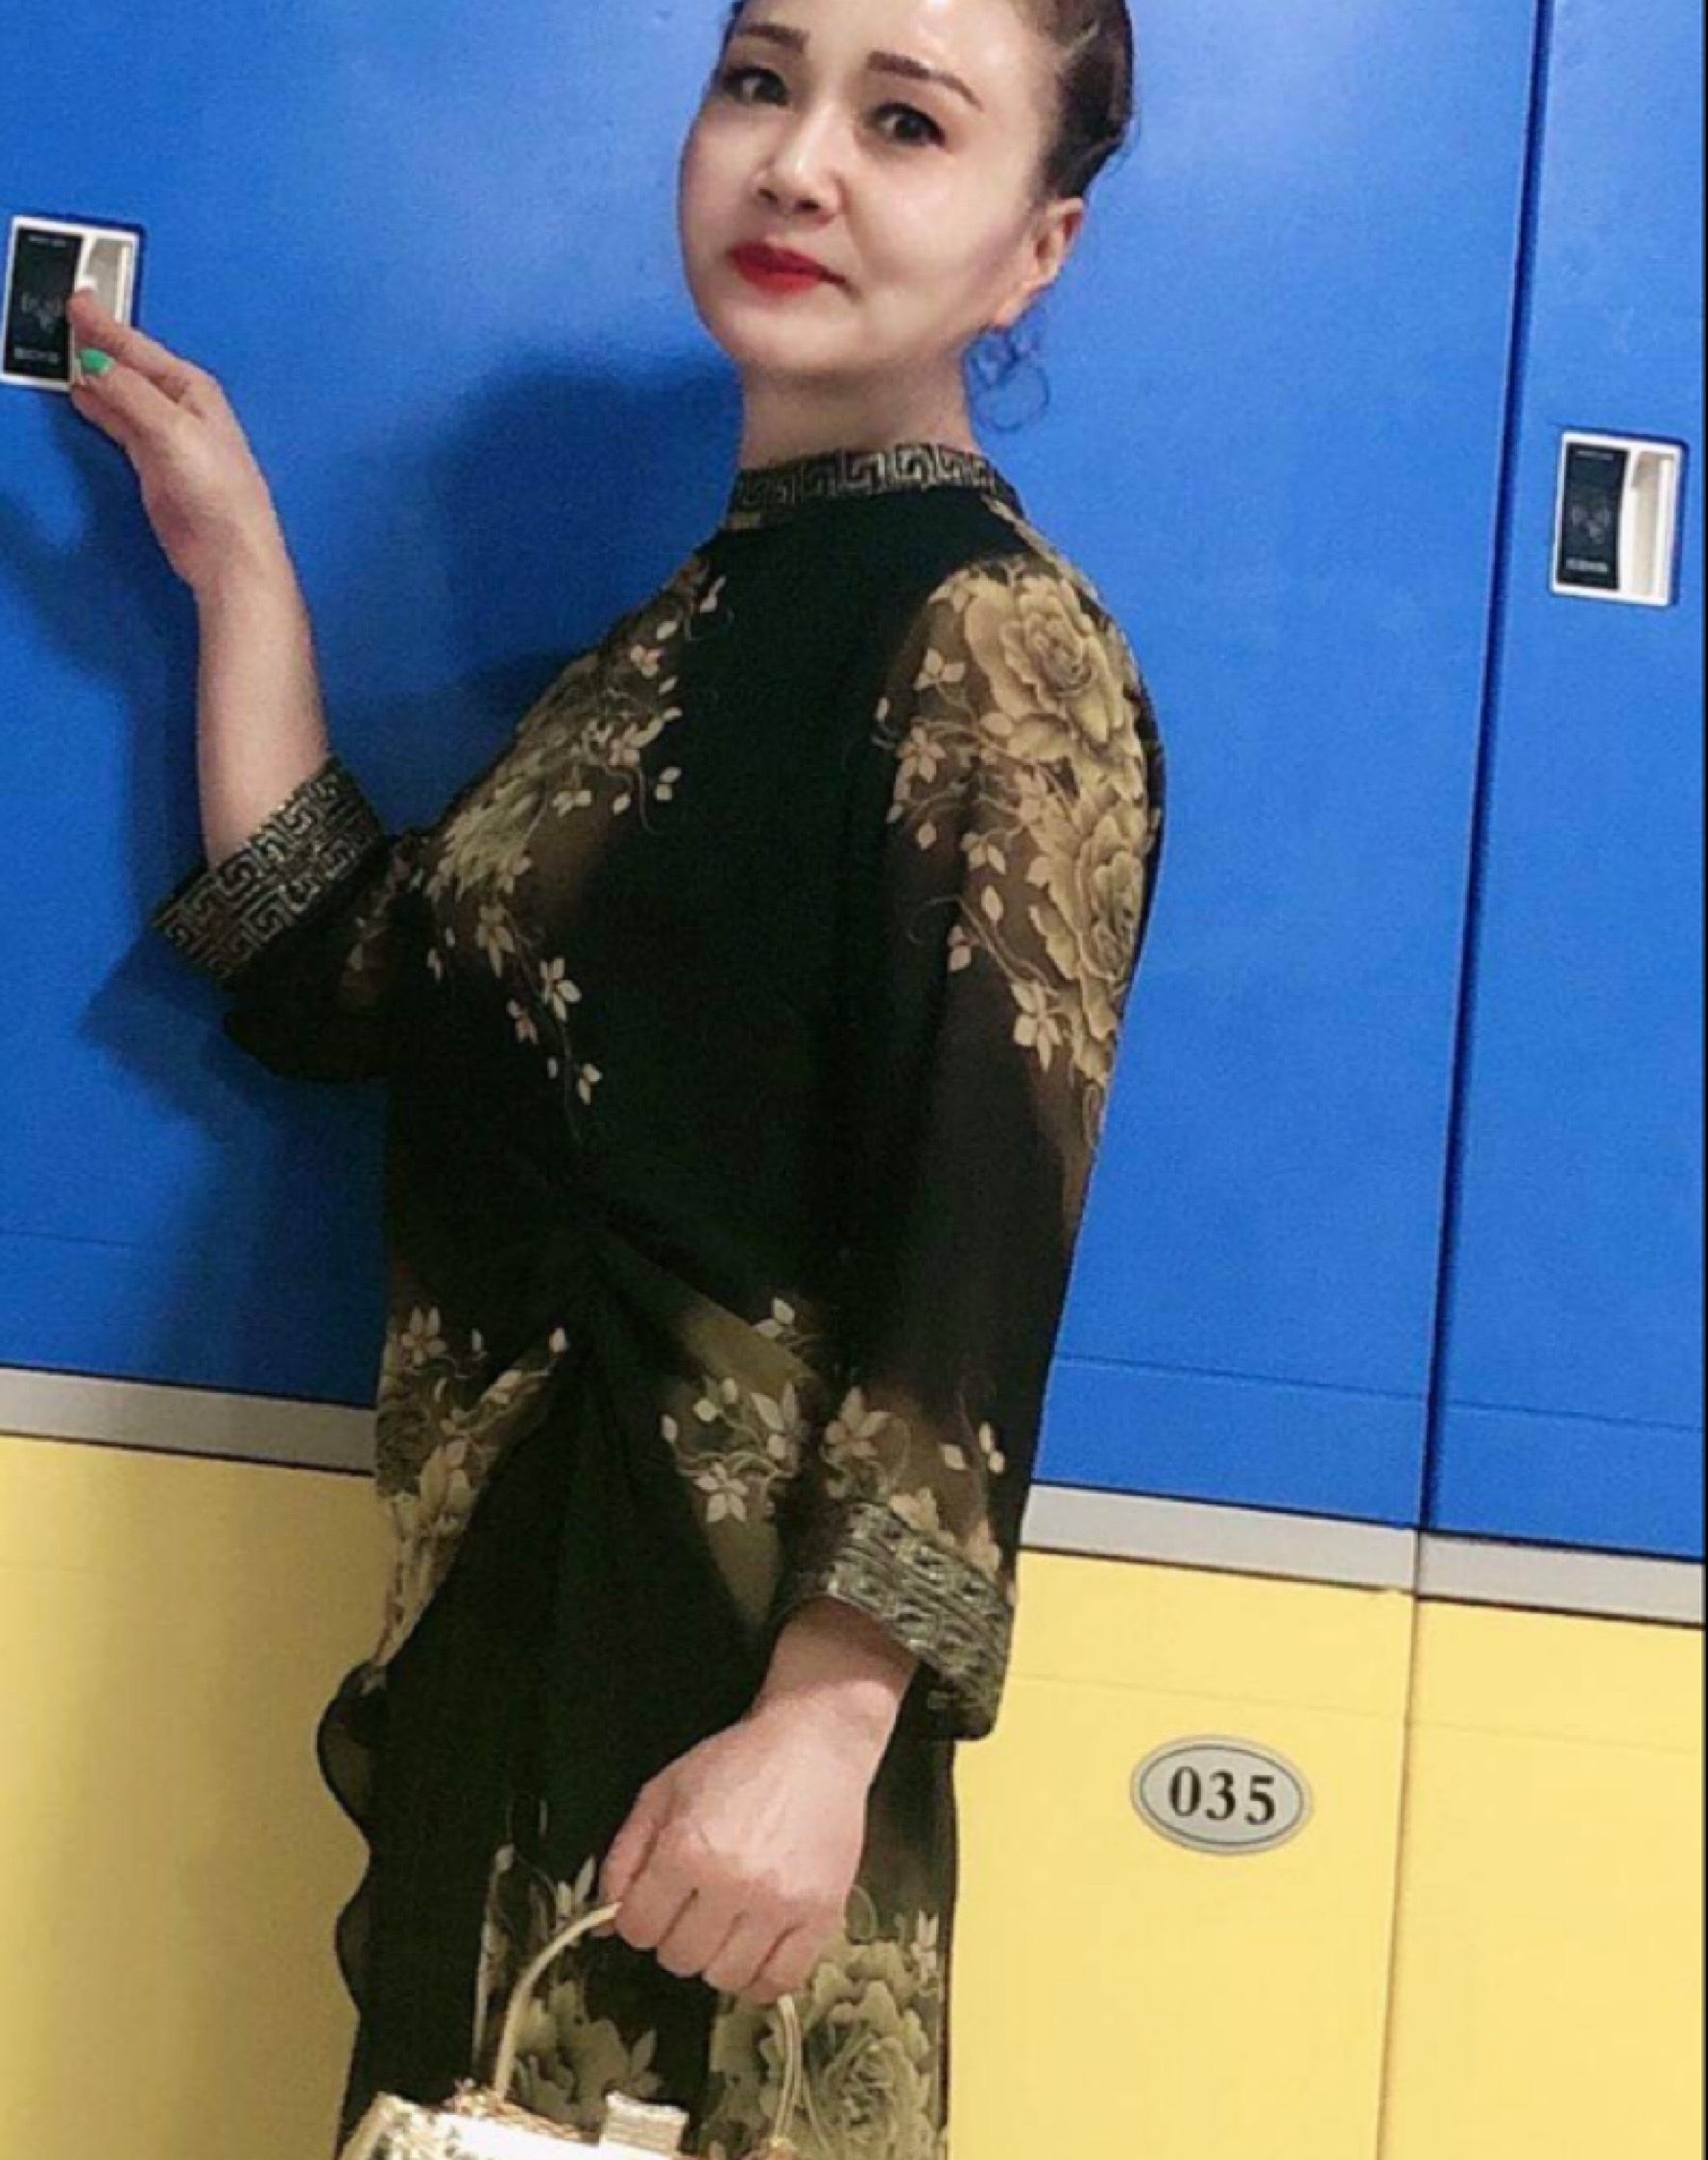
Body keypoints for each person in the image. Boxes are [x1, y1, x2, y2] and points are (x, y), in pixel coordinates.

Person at [70, 0, 1165, 2150]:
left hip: (714, 1727)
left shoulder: (987, 640)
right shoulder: (685, 635)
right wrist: (239, 563)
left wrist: (824, 1733)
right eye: (760, 80)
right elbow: (364, 982)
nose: (797, 161)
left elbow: (980, 1227)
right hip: (523, 1645)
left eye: (905, 122)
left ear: (1034, 247)